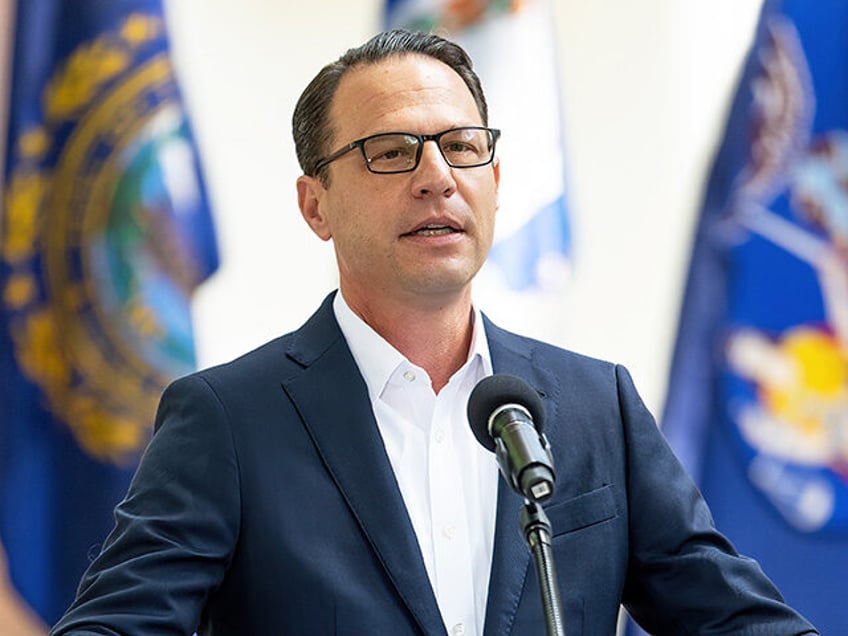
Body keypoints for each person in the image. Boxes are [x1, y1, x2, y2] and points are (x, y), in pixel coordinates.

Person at [50, 29, 818, 636]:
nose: (437, 176)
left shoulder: (595, 406)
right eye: (391, 152)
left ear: (494, 178)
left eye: (462, 147)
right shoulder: (227, 420)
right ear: (314, 205)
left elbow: (735, 619)